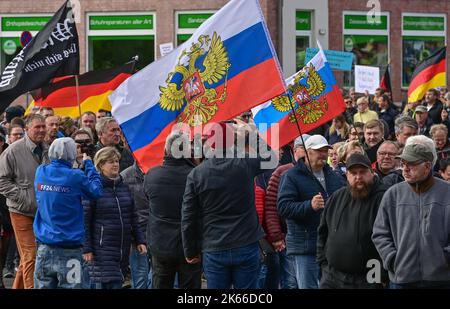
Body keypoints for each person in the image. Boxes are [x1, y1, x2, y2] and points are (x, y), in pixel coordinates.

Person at [181, 121, 274, 289]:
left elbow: (188, 217)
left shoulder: (197, 174)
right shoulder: (244, 164)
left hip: (214, 246)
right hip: (245, 242)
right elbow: (271, 158)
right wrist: (252, 133)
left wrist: (190, 250)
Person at [373, 136, 450, 288]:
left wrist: (445, 258)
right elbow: (380, 233)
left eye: (411, 164)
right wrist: (393, 259)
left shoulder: (447, 193)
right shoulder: (393, 194)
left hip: (441, 280)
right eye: (403, 163)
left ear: (428, 166)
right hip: (402, 279)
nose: (405, 169)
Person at [277, 135, 346, 289]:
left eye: (325, 150)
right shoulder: (291, 176)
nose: (323, 154)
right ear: (307, 152)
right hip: (305, 246)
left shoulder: (333, 175)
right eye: (318, 151)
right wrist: (309, 206)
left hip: (331, 245)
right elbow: (283, 207)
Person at [33, 138, 103, 289]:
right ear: (71, 154)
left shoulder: (40, 172)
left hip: (44, 248)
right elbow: (96, 191)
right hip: (70, 249)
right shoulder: (75, 176)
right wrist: (89, 165)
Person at [317, 153, 387, 289]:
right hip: (332, 277)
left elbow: (391, 239)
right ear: (346, 175)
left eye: (363, 172)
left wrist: (381, 276)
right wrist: (323, 263)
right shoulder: (337, 197)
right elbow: (322, 232)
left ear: (372, 173)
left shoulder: (384, 198)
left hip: (368, 278)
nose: (358, 177)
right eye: (353, 173)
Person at [83, 147, 146, 289]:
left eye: (117, 161)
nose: (115, 165)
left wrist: (140, 240)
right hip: (101, 250)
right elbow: (85, 221)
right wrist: (87, 248)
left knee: (117, 281)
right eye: (111, 162)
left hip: (121, 250)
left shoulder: (123, 187)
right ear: (100, 165)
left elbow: (133, 217)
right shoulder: (93, 189)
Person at [144, 131, 200, 289]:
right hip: (190, 244)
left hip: (160, 244)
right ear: (188, 151)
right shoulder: (195, 175)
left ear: (166, 151)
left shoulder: (152, 175)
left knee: (160, 284)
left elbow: (147, 198)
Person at [0, 114, 49, 289]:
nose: (42, 130)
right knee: (31, 256)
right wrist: (23, 197)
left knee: (29, 258)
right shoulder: (12, 151)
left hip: (43, 212)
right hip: (21, 212)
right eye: (37, 127)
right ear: (27, 128)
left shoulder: (48, 149)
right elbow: (2, 180)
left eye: (43, 126)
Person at [262, 134, 311, 289]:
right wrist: (276, 236)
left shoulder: (321, 173)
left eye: (310, 148)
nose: (306, 152)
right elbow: (271, 206)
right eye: (303, 147)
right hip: (288, 236)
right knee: (291, 282)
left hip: (314, 236)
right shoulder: (281, 172)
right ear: (294, 149)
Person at [121, 162, 151, 289]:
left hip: (158, 231)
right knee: (140, 276)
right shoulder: (125, 177)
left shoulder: (159, 173)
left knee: (157, 277)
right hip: (137, 234)